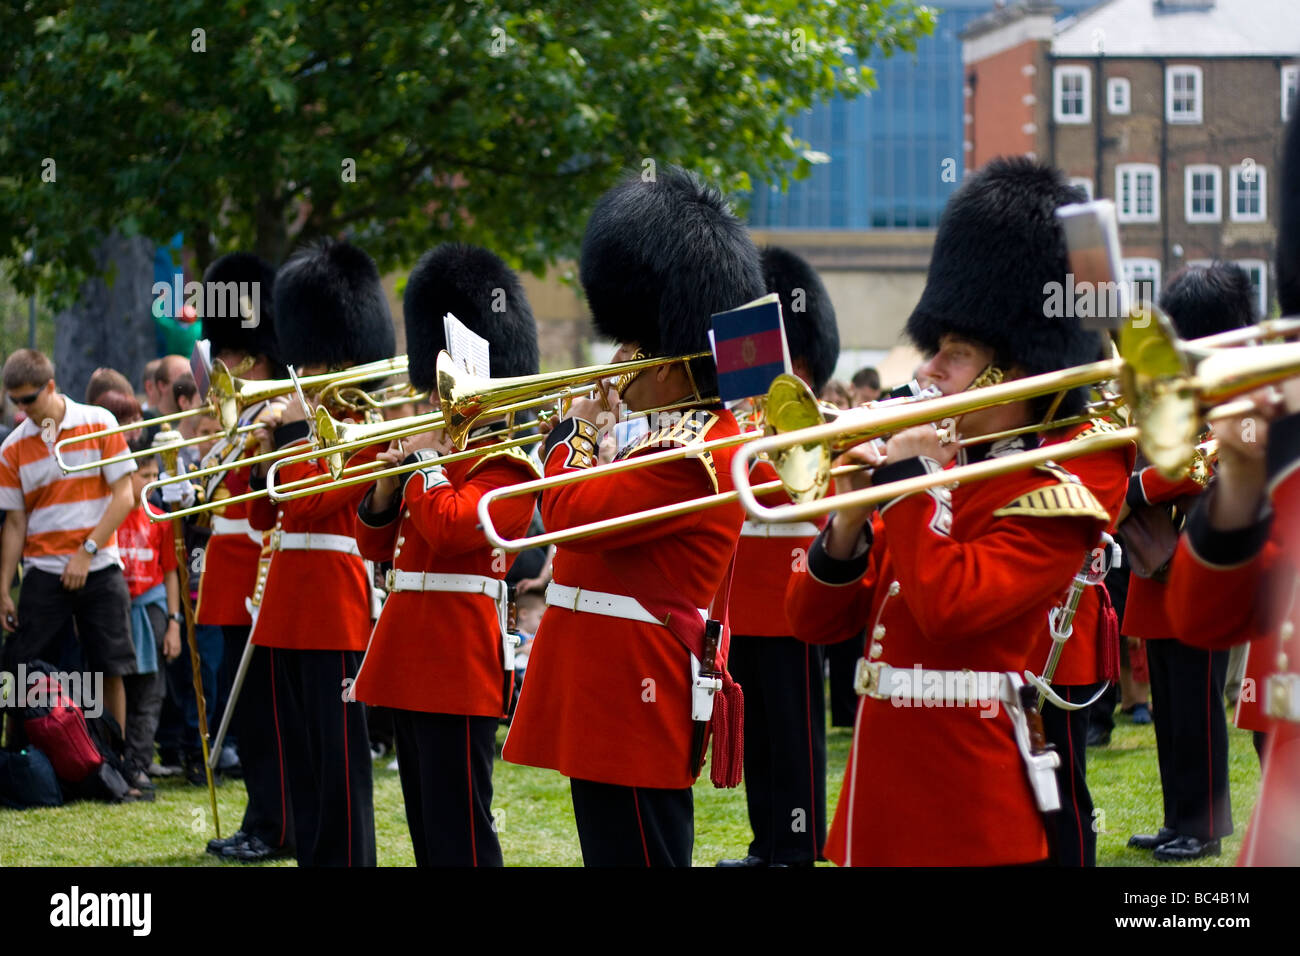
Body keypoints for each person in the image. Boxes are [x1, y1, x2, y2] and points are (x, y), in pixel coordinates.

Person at [785, 158, 1115, 866]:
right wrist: (844, 528)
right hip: (880, 795)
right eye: (937, 351)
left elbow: (947, 606)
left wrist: (907, 477)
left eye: (955, 355)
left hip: (967, 807)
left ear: (1019, 374)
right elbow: (813, 624)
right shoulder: (935, 480)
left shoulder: (1055, 501)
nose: (928, 370)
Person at [503, 166, 764, 866]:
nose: (618, 360)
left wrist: (572, 434)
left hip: (634, 688)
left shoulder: (696, 448)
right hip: (605, 679)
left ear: (674, 359)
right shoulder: (669, 436)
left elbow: (570, 515)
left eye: (631, 345)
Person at [352, 243, 541, 866]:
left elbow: (455, 528)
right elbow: (380, 545)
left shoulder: (509, 466)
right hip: (409, 649)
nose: (437, 401)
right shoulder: (441, 460)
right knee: (425, 823)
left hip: (457, 660)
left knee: (461, 823)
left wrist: (424, 466)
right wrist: (386, 484)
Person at [245, 239, 395, 867]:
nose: (302, 375)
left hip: (333, 603)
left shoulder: (365, 429)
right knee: (301, 756)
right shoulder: (305, 432)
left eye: (313, 363)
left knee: (339, 759)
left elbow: (307, 503)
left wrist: (283, 440)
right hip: (286, 602)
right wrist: (258, 448)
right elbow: (263, 513)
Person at [1123, 263, 1254, 861]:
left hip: (1202, 560)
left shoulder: (1238, 394)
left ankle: (1203, 825)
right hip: (1158, 563)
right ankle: (1178, 818)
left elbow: (1208, 460)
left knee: (1198, 705)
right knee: (1172, 706)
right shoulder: (1179, 390)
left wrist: (1143, 487)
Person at [717, 246, 838, 868]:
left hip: (791, 593)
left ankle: (797, 842)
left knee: (794, 733)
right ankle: (767, 840)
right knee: (758, 733)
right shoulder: (742, 415)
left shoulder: (807, 417)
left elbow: (807, 494)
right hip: (744, 595)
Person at [187, 252, 294, 862]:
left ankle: (273, 824)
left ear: (252, 355)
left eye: (225, 354)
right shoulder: (240, 413)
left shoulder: (273, 414)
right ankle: (262, 817)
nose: (217, 365)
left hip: (258, 573)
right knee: (242, 705)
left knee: (261, 712)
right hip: (229, 575)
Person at [0, 349, 137, 738]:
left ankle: (119, 764)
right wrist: (3, 589)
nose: (24, 409)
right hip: (43, 569)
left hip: (99, 564)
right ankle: (16, 760)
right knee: (18, 666)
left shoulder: (99, 421)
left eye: (30, 399)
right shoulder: (11, 448)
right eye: (15, 401)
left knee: (111, 666)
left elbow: (124, 495)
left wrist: (86, 551)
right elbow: (14, 522)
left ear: (51, 386)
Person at [117, 454, 182, 788]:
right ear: (125, 477)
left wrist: (174, 622)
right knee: (115, 684)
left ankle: (139, 762)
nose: (151, 484)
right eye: (144, 475)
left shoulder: (161, 518)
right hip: (117, 609)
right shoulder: (109, 517)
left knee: (151, 689)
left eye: (156, 475)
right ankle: (113, 760)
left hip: (152, 608)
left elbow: (170, 573)